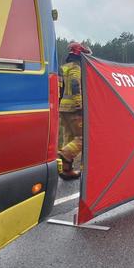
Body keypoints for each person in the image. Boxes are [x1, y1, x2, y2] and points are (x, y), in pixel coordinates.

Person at [57, 42, 91, 180]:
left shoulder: (65, 67)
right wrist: (80, 105)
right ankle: (62, 154)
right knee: (83, 138)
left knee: (69, 138)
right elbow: (75, 85)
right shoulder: (75, 68)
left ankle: (66, 170)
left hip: (64, 107)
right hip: (73, 108)